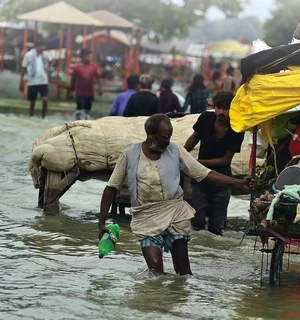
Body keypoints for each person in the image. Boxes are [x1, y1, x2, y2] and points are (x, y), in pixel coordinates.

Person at [98, 114, 252, 275]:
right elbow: (111, 187)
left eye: (170, 136)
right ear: (150, 134)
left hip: (175, 213)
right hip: (145, 215)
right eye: (164, 137)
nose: (167, 140)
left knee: (183, 268)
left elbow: (203, 173)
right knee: (155, 269)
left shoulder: (176, 150)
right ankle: (157, 299)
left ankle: (179, 297)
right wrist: (101, 222)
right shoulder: (129, 154)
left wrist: (238, 183)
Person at [184, 91, 245, 235]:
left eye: (226, 108)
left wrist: (196, 162)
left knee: (216, 228)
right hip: (201, 180)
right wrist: (182, 155)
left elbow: (225, 160)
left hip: (222, 183)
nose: (221, 112)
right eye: (219, 107)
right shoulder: (205, 118)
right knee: (197, 224)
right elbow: (193, 139)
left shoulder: (237, 129)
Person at [19, 40, 52, 119]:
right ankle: (31, 117)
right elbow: (23, 68)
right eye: (40, 46)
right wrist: (21, 81)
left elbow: (52, 60)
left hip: (43, 81)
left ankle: (43, 118)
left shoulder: (45, 55)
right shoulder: (29, 55)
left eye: (43, 46)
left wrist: (49, 67)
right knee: (32, 102)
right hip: (32, 82)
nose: (42, 48)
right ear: (36, 46)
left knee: (45, 99)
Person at [70, 48, 102, 120]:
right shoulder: (77, 68)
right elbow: (73, 80)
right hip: (80, 93)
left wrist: (100, 88)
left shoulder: (93, 67)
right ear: (82, 57)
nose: (89, 58)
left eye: (90, 56)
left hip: (90, 93)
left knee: (87, 111)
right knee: (80, 110)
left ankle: (86, 125)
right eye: (88, 56)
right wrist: (71, 91)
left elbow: (98, 77)